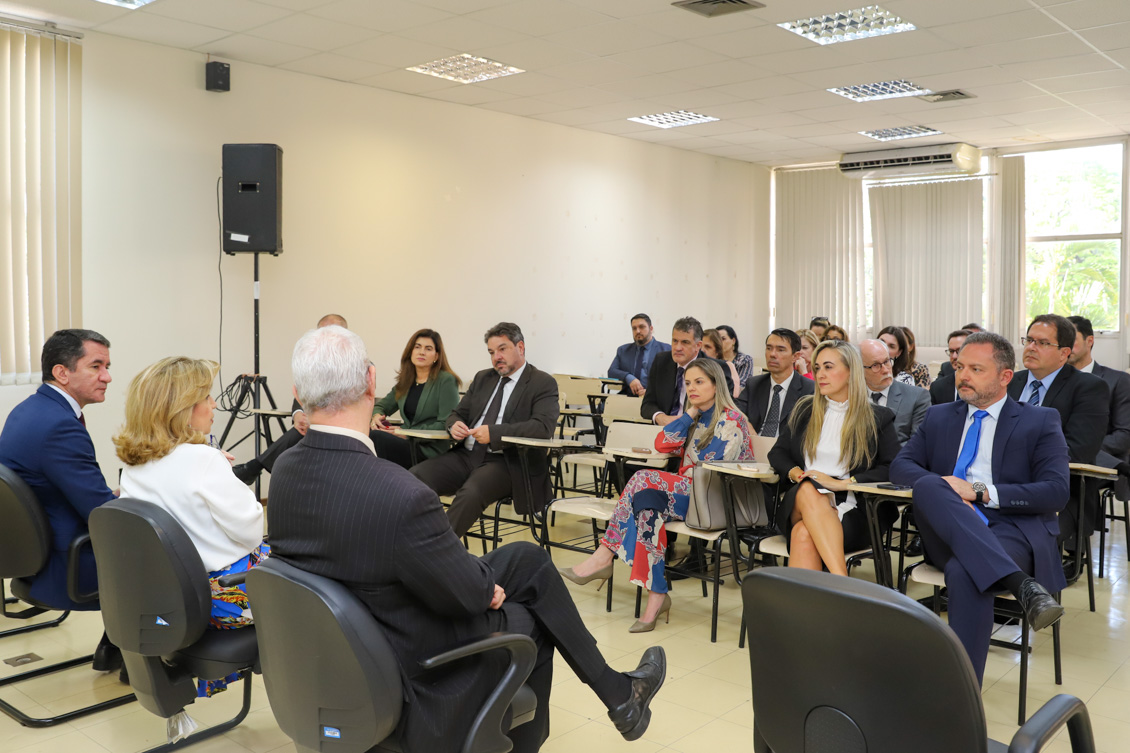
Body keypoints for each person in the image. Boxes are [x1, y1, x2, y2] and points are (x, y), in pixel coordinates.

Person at [266, 325, 666, 752]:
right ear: (370, 381)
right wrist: (482, 586)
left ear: (297, 391)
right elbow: (466, 597)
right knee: (533, 615)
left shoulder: (285, 472)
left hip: (344, 646)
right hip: (413, 659)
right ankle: (604, 705)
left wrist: (473, 577)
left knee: (528, 560)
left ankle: (621, 696)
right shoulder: (399, 495)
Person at [890, 332, 1069, 684]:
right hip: (946, 527)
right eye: (959, 367)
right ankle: (1022, 585)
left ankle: (961, 692)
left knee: (966, 573)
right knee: (929, 484)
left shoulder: (1039, 420)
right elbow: (901, 467)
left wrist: (980, 492)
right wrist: (950, 489)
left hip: (1011, 530)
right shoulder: (940, 416)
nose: (962, 376)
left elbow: (1056, 491)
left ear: (1005, 377)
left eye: (976, 369)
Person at [561, 360, 754, 631]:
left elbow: (710, 472)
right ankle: (657, 595)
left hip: (716, 501)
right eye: (688, 383)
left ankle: (604, 555)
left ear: (716, 384)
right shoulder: (697, 417)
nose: (692, 388)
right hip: (690, 495)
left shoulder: (733, 421)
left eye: (700, 382)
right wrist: (688, 414)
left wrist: (681, 459)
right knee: (648, 510)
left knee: (643, 478)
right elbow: (661, 443)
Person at [115, 357, 266, 697]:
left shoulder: (134, 466)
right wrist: (224, 472)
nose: (214, 405)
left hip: (170, 597)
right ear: (182, 408)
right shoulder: (205, 461)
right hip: (225, 599)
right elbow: (252, 529)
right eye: (207, 398)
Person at [0, 329, 120, 670]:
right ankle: (140, 660)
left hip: (31, 556)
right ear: (61, 372)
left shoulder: (28, 410)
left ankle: (114, 647)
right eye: (96, 366)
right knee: (169, 547)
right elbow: (103, 514)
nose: (107, 376)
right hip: (68, 563)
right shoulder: (60, 427)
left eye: (107, 366)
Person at [412, 322, 559, 538]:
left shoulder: (542, 382)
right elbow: (457, 413)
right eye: (491, 352)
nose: (496, 357)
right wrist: (454, 425)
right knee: (414, 478)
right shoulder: (483, 378)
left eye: (502, 349)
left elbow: (542, 428)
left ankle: (437, 551)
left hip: (507, 461)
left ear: (520, 347)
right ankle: (410, 540)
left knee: (471, 492)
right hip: (467, 455)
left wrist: (495, 434)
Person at [769, 341, 900, 575]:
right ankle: (843, 581)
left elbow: (893, 468)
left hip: (854, 506)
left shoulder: (877, 417)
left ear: (851, 372)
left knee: (803, 534)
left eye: (828, 367)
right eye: (817, 368)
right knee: (809, 489)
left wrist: (841, 483)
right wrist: (795, 473)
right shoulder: (804, 410)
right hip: (800, 498)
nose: (820, 375)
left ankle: (813, 607)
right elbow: (777, 453)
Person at [1007, 314, 1108, 546]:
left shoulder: (1088, 388)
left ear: (1064, 353)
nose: (1031, 347)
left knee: (1018, 542)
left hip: (1058, 490)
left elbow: (1078, 450)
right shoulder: (1008, 382)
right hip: (998, 482)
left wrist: (1014, 458)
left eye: (1042, 343)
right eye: (1029, 340)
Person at [232, 313, 348, 483]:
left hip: (341, 426)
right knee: (300, 430)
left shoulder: (356, 366)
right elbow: (302, 394)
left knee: (299, 435)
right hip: (312, 426)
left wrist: (319, 419)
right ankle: (259, 469)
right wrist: (299, 414)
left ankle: (255, 467)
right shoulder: (313, 366)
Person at [369, 328, 462, 468]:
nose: (421, 352)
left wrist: (407, 434)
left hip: (428, 449)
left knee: (377, 438)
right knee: (369, 433)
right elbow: (382, 406)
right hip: (405, 442)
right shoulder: (406, 380)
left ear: (436, 356)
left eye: (428, 348)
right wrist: (376, 416)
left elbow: (446, 422)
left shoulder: (446, 380)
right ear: (410, 352)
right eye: (417, 347)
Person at [1067, 316, 1130, 501]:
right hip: (1059, 457)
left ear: (1090, 341)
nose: (1065, 346)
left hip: (1099, 460)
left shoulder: (1117, 381)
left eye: (1071, 340)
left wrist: (1080, 448)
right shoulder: (1052, 382)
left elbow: (1124, 436)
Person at [642, 316, 735, 425]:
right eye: (675, 341)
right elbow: (647, 405)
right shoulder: (661, 361)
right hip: (663, 431)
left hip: (697, 432)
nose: (677, 347)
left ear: (698, 346)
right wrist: (660, 417)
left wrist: (684, 422)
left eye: (685, 342)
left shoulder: (716, 368)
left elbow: (721, 411)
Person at [737, 328, 814, 438]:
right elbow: (735, 412)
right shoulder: (754, 384)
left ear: (795, 356)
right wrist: (746, 424)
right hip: (755, 446)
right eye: (769, 348)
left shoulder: (808, 389)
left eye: (780, 350)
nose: (772, 354)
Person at [859, 339, 930, 445]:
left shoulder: (917, 397)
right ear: (859, 369)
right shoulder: (850, 396)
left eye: (887, 361)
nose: (886, 370)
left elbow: (917, 444)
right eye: (875, 365)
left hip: (897, 459)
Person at [608, 313, 670, 396]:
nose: (637, 331)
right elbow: (612, 371)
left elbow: (671, 379)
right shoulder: (623, 350)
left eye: (641, 327)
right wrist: (629, 377)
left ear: (651, 329)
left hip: (655, 399)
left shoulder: (666, 350)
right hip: (628, 397)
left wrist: (650, 392)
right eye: (634, 328)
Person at [702, 329, 741, 398]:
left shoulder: (727, 366)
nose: (702, 350)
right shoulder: (694, 367)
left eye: (707, 347)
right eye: (700, 347)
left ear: (717, 351)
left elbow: (734, 395)